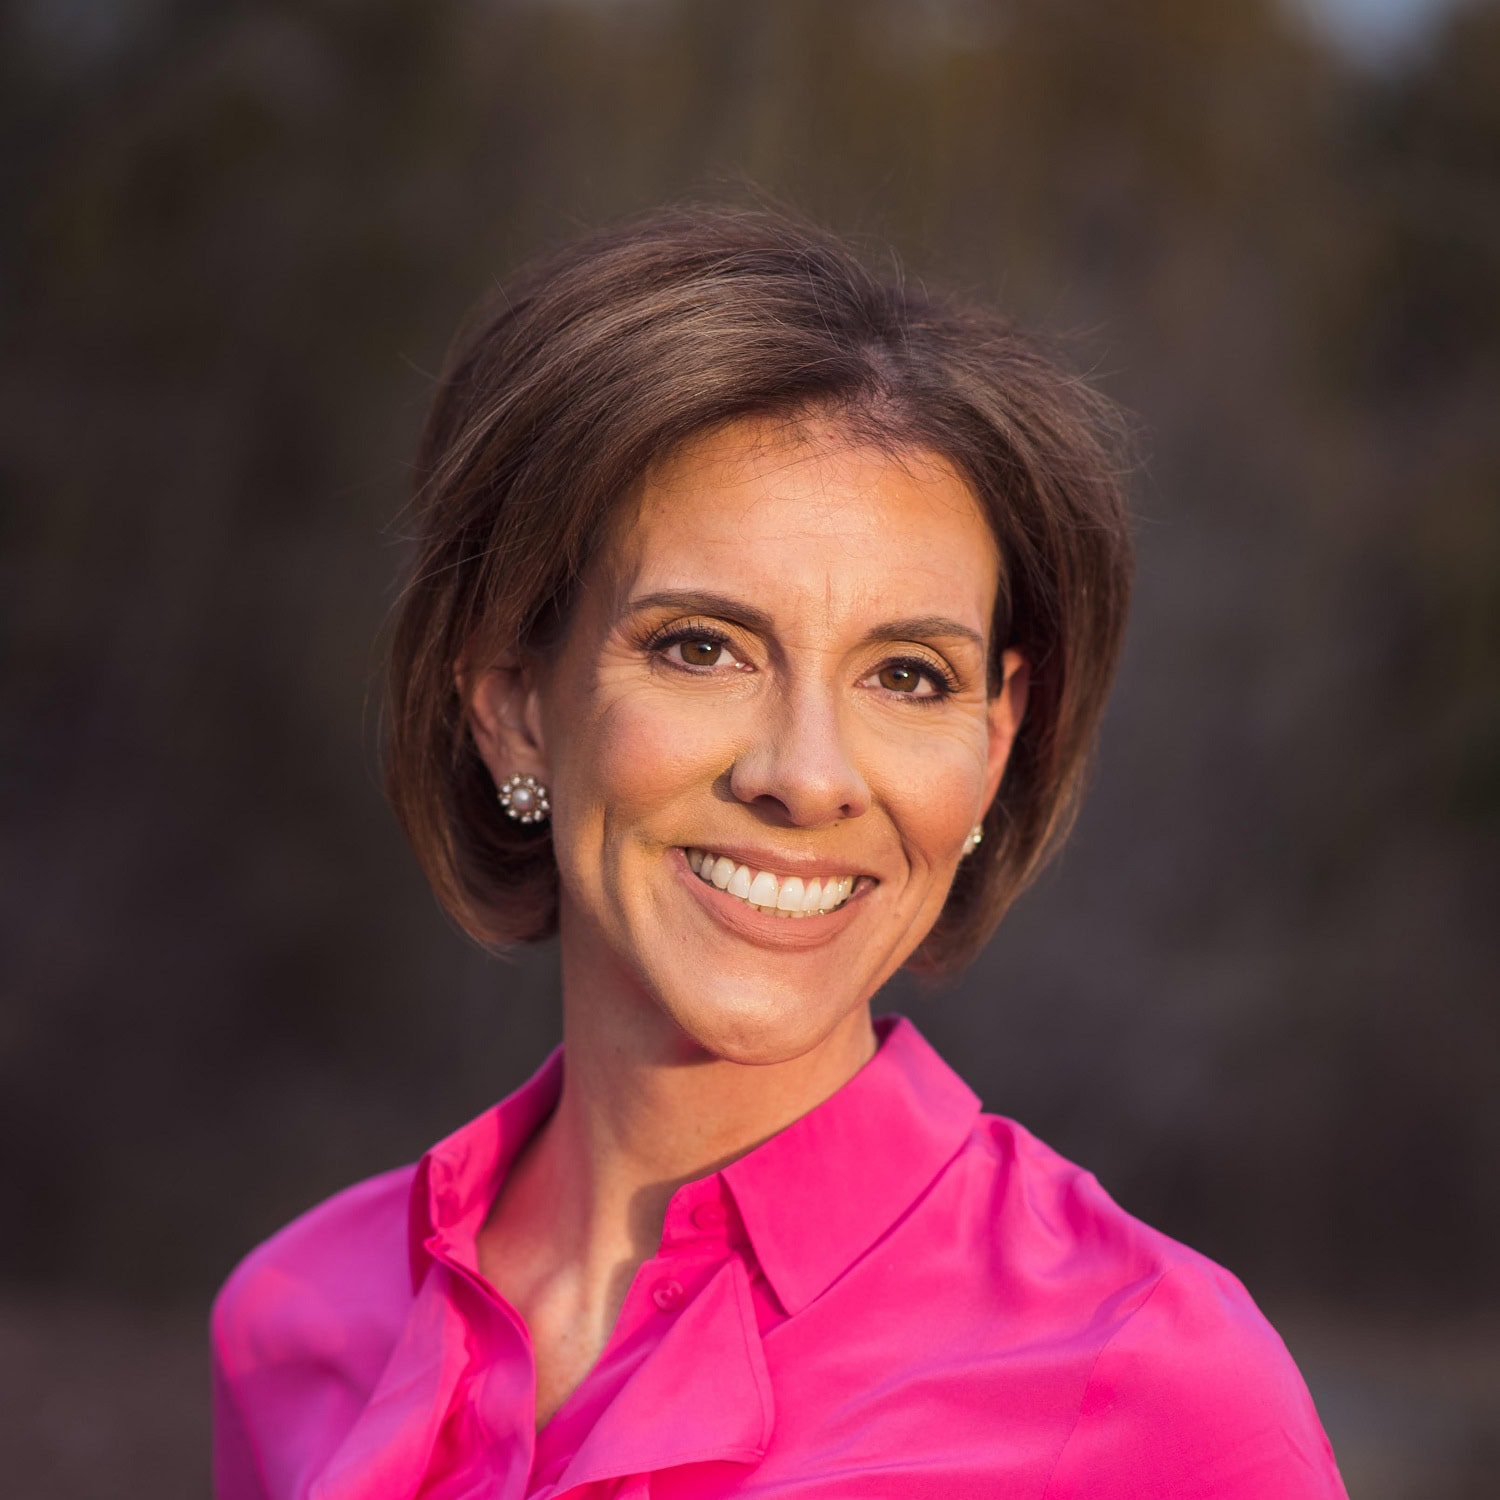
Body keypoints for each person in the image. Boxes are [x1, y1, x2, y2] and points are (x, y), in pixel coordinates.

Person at [210, 205, 1348, 1499]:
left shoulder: (1153, 1387)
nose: (806, 776)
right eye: (701, 646)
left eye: (910, 675)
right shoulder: (296, 1322)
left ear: (996, 738)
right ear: (512, 694)